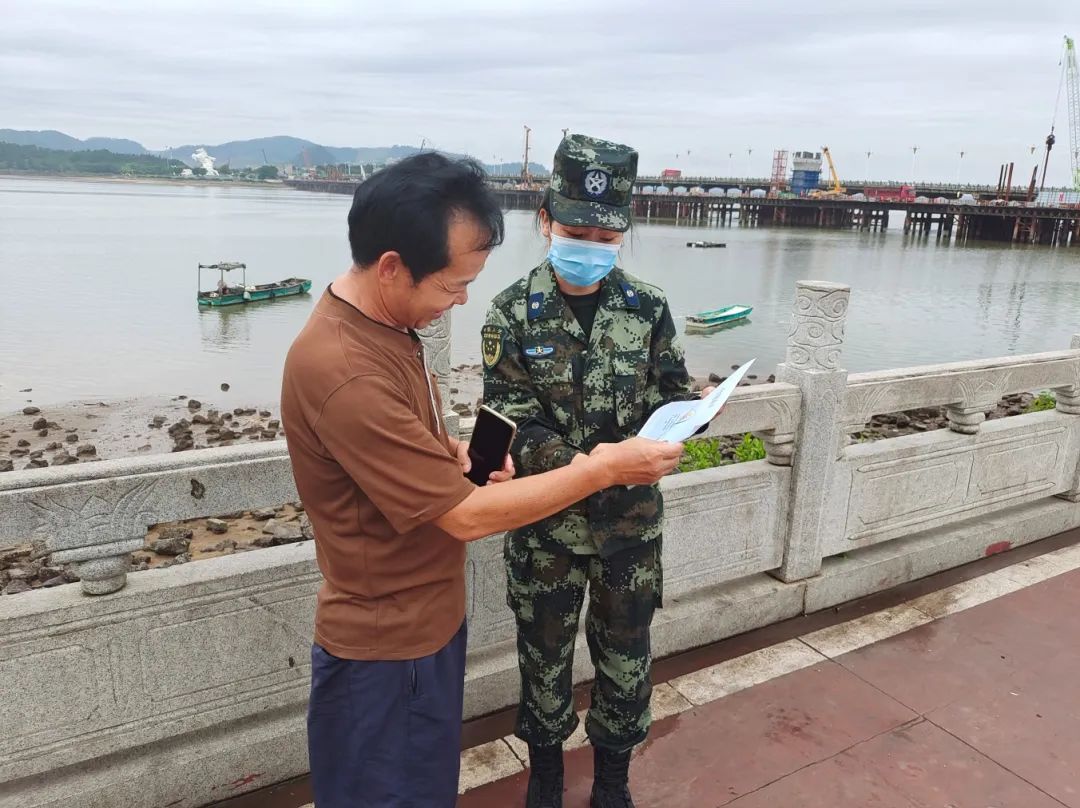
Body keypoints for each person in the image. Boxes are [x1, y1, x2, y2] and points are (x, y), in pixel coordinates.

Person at [280, 152, 685, 808]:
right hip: (385, 648)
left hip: (424, 627)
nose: (461, 300)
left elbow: (413, 444)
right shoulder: (345, 369)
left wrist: (457, 450)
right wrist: (601, 468)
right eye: (451, 285)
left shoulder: (387, 328)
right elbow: (465, 516)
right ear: (392, 267)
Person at [482, 135, 713, 808]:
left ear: (623, 232)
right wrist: (596, 466)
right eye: (575, 230)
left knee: (626, 659)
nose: (589, 243)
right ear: (547, 221)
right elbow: (512, 423)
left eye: (604, 234)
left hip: (630, 532)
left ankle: (613, 782)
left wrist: (687, 420)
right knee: (543, 658)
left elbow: (671, 389)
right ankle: (547, 778)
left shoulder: (647, 307)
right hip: (545, 528)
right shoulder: (509, 312)